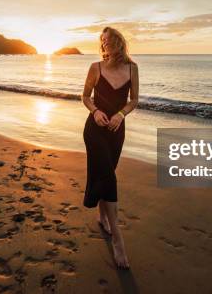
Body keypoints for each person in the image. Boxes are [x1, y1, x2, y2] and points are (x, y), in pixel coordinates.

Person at [81, 26, 139, 270]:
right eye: (101, 41)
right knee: (108, 177)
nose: (104, 45)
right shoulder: (96, 67)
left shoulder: (132, 68)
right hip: (94, 131)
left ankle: (103, 216)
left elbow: (134, 100)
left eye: (107, 40)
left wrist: (121, 115)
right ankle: (118, 239)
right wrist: (95, 112)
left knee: (106, 175)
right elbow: (85, 96)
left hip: (116, 131)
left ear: (118, 42)